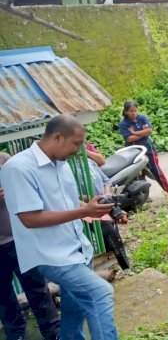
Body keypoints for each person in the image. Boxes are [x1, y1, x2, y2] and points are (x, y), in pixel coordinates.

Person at [0, 114, 119, 339]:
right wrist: (83, 211)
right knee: (99, 294)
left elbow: (70, 203)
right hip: (50, 255)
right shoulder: (18, 168)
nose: (79, 149)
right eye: (76, 143)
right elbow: (30, 218)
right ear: (57, 137)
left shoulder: (61, 164)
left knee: (74, 311)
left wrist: (99, 209)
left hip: (78, 249)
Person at [0, 152, 61, 340]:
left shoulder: (5, 159)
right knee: (3, 295)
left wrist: (9, 190)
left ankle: (54, 333)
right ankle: (17, 335)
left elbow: (26, 187)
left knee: (37, 288)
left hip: (18, 237)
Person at [118, 101, 168, 198]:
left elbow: (150, 131)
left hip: (148, 149)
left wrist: (135, 133)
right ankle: (144, 197)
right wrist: (143, 133)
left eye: (135, 111)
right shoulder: (123, 123)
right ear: (126, 111)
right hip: (134, 151)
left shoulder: (142, 118)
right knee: (139, 174)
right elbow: (129, 138)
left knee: (156, 170)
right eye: (131, 111)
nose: (134, 113)